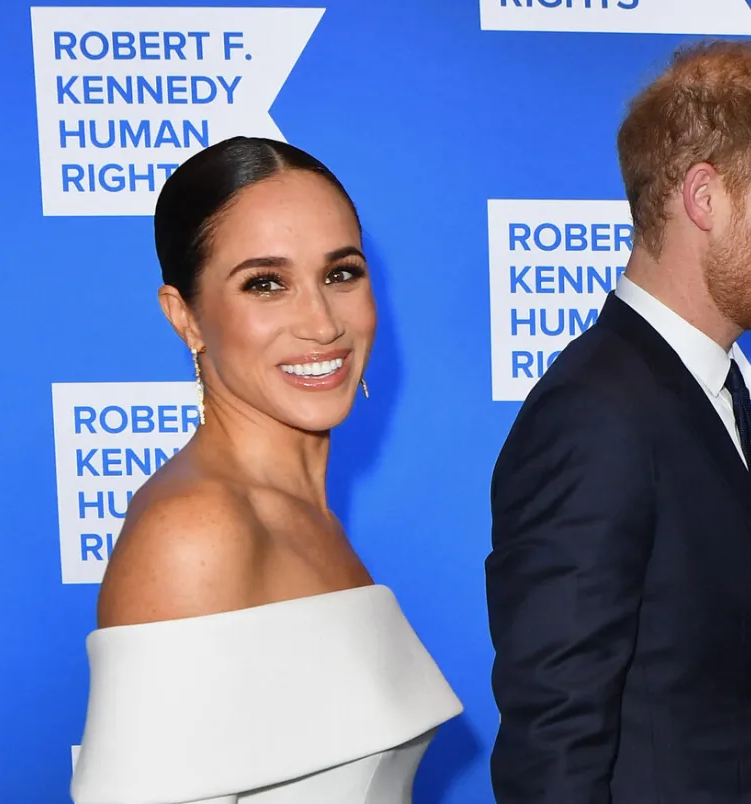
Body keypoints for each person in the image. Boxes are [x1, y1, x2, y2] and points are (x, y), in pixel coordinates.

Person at [485, 40, 751, 803]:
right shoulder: (595, 413)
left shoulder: (699, 386)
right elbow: (555, 750)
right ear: (706, 198)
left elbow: (680, 661)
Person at [70, 136, 462, 803]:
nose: (320, 323)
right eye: (266, 284)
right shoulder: (195, 532)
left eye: (341, 273)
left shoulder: (301, 513)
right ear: (184, 316)